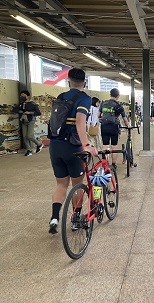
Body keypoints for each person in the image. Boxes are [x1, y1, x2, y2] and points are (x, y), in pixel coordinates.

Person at [48, 68, 98, 234]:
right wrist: (86, 145)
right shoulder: (84, 98)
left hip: (55, 146)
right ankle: (76, 218)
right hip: (72, 147)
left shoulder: (61, 97)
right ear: (84, 83)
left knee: (61, 184)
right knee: (77, 184)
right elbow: (80, 121)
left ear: (68, 82)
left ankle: (54, 218)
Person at [98, 88, 130, 169]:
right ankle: (113, 164)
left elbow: (98, 115)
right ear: (118, 96)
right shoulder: (119, 105)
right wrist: (128, 125)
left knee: (105, 146)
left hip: (104, 126)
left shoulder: (103, 103)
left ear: (110, 94)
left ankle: (105, 164)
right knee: (114, 146)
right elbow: (124, 118)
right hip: (114, 126)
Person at [18, 90, 43, 156]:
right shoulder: (21, 104)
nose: (22, 97)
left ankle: (39, 144)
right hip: (23, 120)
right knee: (24, 136)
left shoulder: (33, 104)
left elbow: (38, 113)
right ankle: (29, 150)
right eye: (21, 96)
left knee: (29, 135)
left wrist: (30, 113)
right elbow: (15, 110)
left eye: (23, 96)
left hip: (30, 120)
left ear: (28, 96)